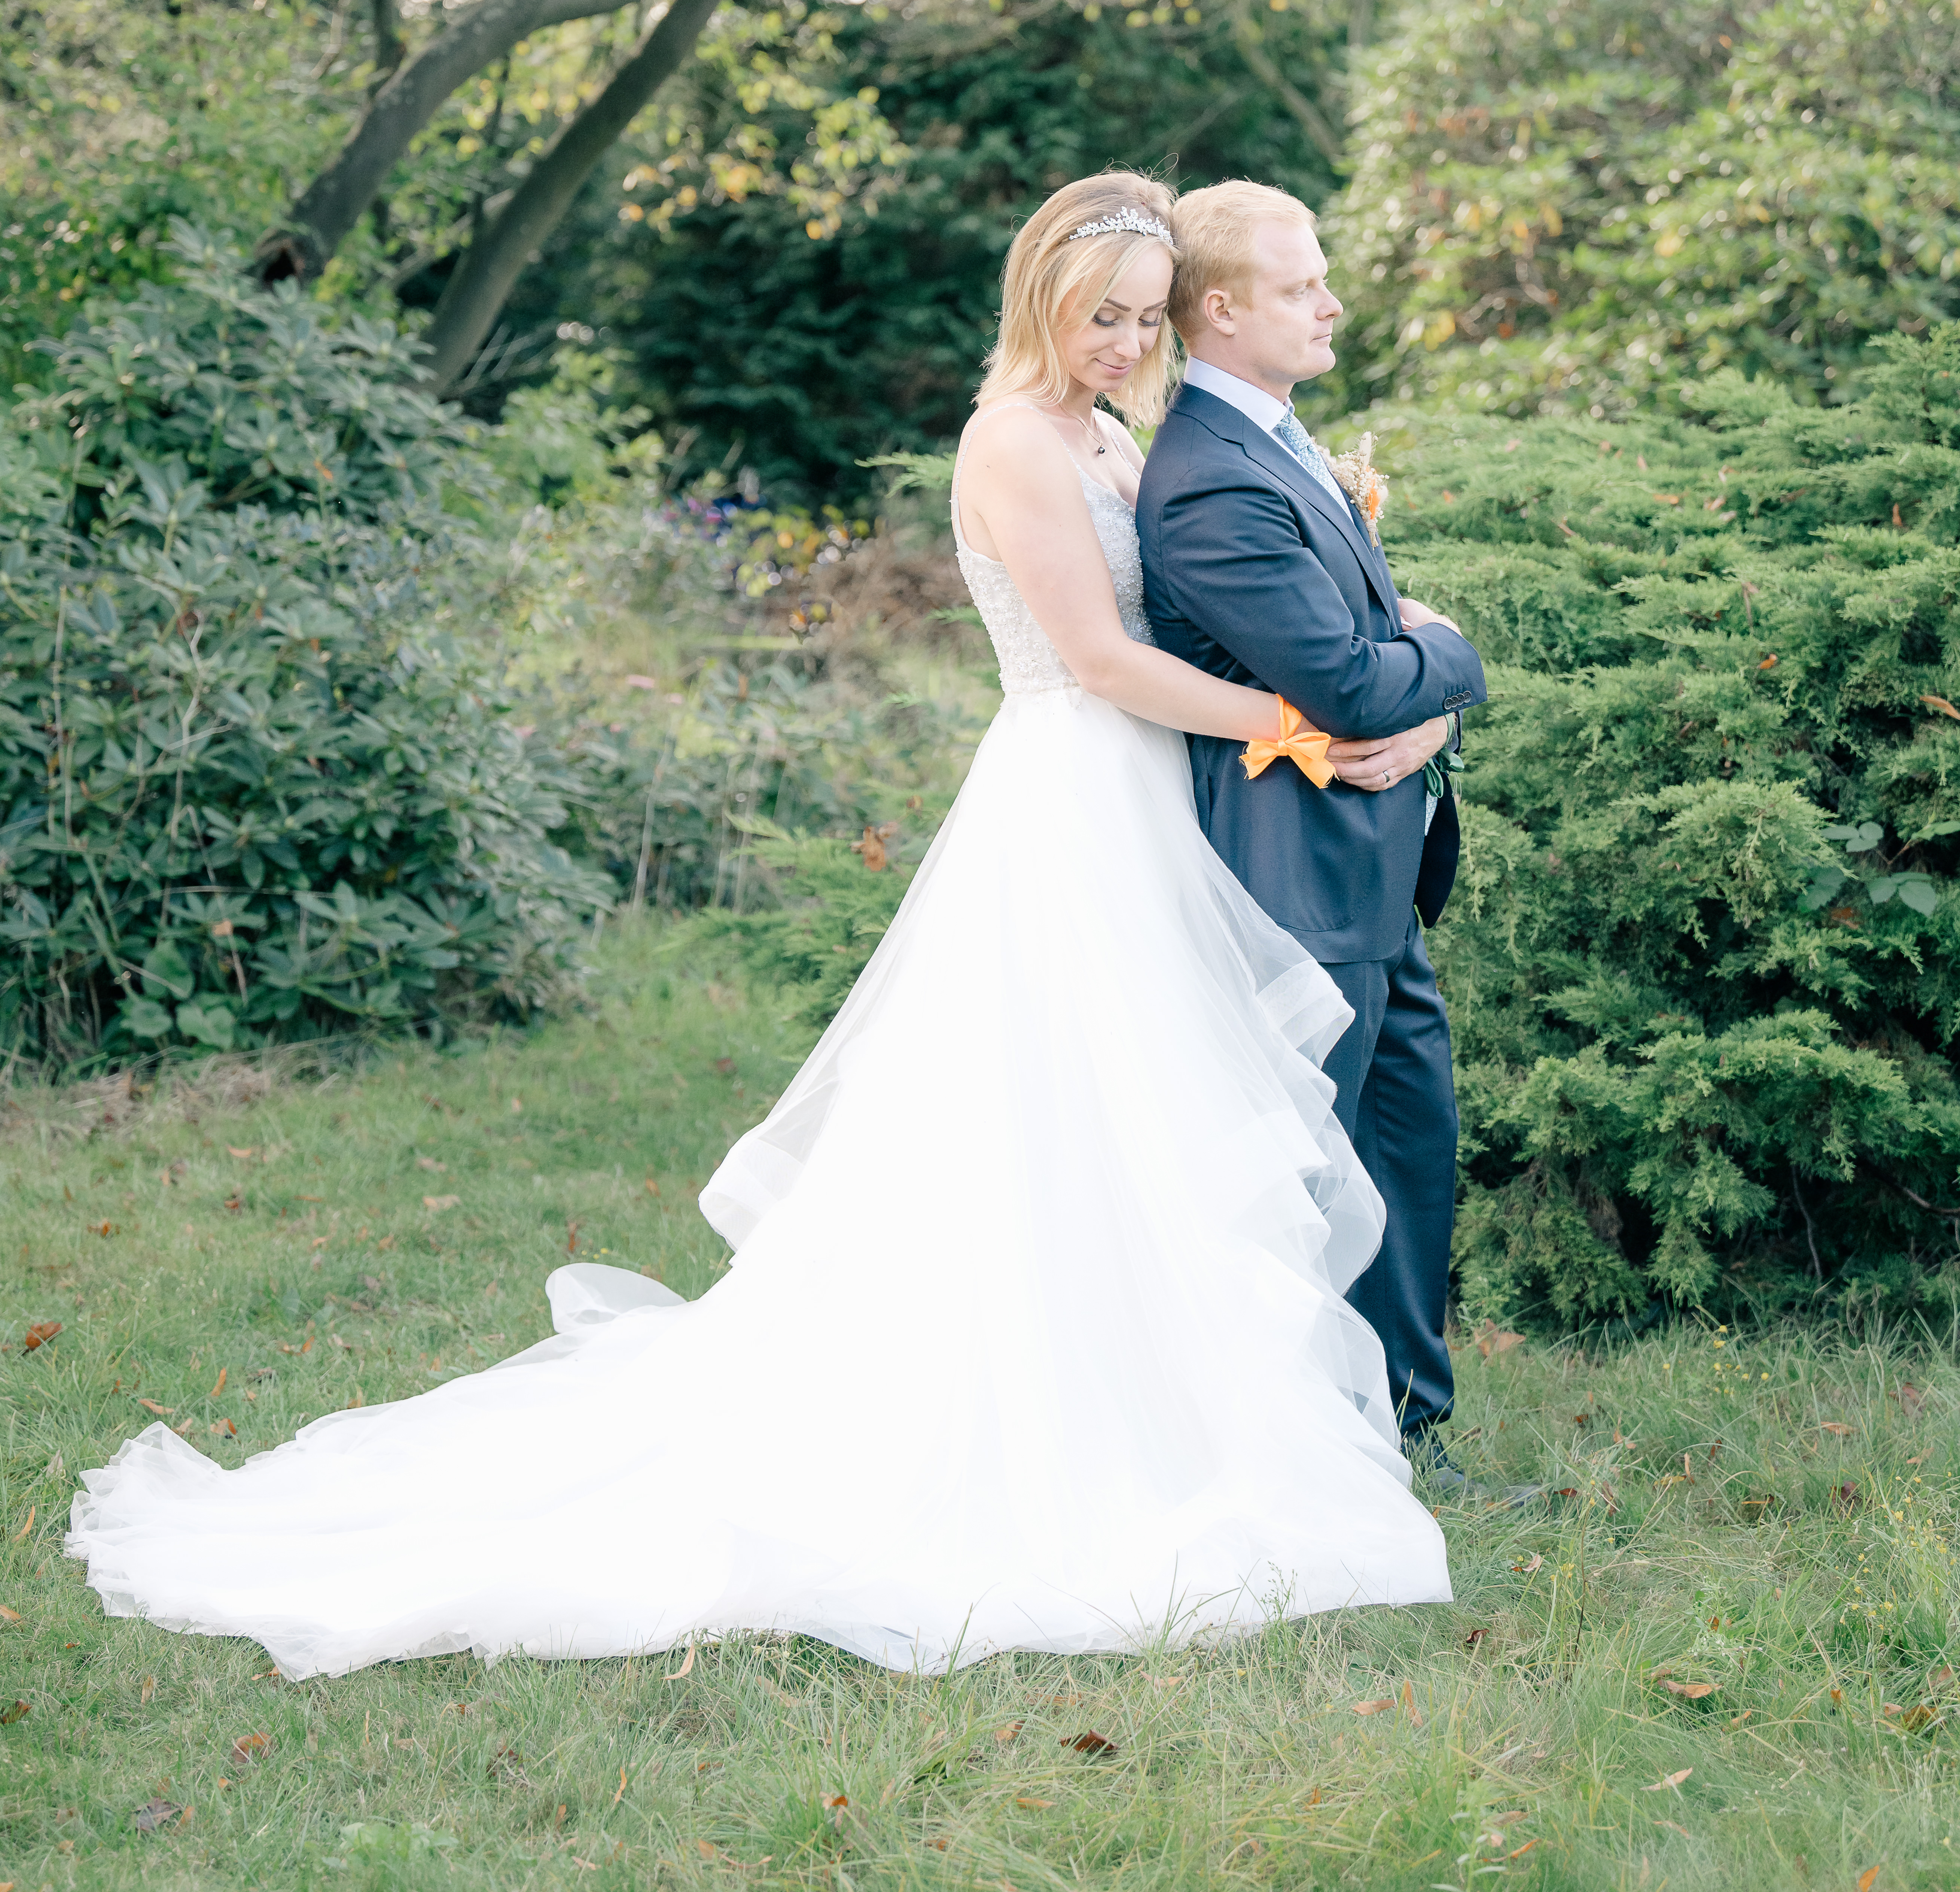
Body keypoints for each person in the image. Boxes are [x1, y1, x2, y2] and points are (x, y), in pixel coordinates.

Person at [69, 171, 1448, 1681]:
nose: (1123, 341)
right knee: (1057, 1112)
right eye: (1099, 315)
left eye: (1138, 317)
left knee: (1129, 1125)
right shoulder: (1008, 438)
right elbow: (1102, 661)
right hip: (1072, 795)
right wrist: (1302, 726)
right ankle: (1030, 1423)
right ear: (1040, 301)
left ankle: (1159, 1395)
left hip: (1148, 808)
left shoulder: (1113, 430)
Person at [1137, 180, 1487, 1474]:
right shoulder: (1205, 485)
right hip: (1294, 879)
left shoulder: (1278, 440)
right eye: (1299, 286)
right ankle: (1285, 1459)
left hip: (1372, 875)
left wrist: (1432, 711)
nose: (1331, 301)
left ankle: (1405, 1435)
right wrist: (1447, 653)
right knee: (1305, 1184)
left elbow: (1363, 670)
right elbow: (1344, 683)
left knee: (1403, 1155)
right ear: (1219, 312)